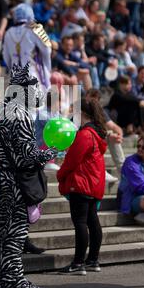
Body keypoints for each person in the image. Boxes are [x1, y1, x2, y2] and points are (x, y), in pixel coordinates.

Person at [0, 63, 57, 288]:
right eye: (34, 87)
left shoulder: (1, 111)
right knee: (15, 231)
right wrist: (48, 153)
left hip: (0, 176)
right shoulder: (20, 115)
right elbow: (26, 157)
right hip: (14, 181)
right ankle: (12, 280)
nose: (38, 93)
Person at [57, 98, 107, 275]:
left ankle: (78, 263)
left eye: (74, 111)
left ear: (82, 114)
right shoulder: (95, 133)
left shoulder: (85, 134)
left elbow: (71, 161)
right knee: (92, 221)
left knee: (80, 222)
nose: (72, 115)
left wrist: (60, 174)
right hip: (93, 183)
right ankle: (93, 260)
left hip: (82, 183)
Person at [3, 3, 52, 91]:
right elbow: (47, 50)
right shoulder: (36, 29)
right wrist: (47, 69)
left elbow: (6, 57)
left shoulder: (8, 32)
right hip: (33, 72)